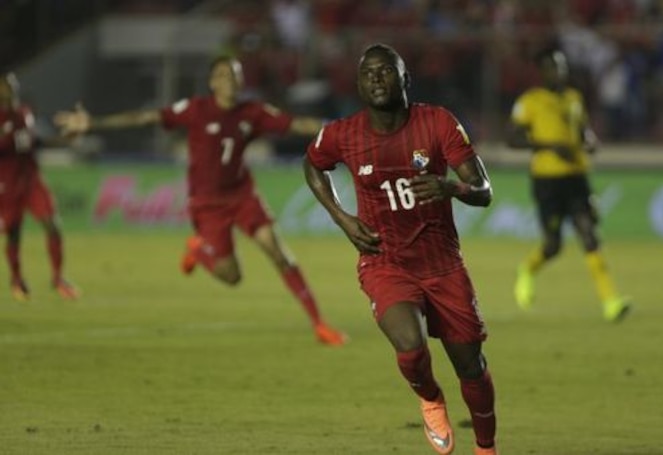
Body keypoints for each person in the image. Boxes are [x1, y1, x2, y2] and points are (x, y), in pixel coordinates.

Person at [55, 57, 347, 346]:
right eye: (222, 75)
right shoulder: (196, 110)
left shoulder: (252, 112)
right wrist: (93, 122)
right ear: (211, 83)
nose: (228, 80)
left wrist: (345, 128)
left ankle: (319, 323)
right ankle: (198, 250)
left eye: (234, 75)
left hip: (243, 195)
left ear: (241, 81)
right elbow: (147, 118)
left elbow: (297, 124)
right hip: (207, 203)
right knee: (232, 277)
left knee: (278, 252)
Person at [303, 43, 499, 455]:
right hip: (384, 261)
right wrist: (341, 217)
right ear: (358, 84)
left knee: (471, 366)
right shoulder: (344, 133)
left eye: (385, 71)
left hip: (443, 265)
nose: (376, 78)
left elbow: (483, 191)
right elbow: (312, 163)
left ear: (405, 79)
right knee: (410, 348)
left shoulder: (438, 123)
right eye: (367, 73)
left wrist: (451, 187)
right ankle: (430, 398)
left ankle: (486, 448)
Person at [507, 48, 631, 322]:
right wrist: (548, 146)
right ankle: (527, 270)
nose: (558, 72)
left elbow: (584, 129)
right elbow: (512, 139)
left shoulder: (575, 98)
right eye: (552, 67)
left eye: (561, 67)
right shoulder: (530, 101)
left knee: (589, 235)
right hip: (547, 181)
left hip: (577, 177)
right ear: (542, 72)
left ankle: (611, 301)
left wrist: (590, 140)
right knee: (553, 245)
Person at [0, 72, 80, 302]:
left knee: (53, 225)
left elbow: (37, 142)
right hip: (8, 184)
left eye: (12, 84)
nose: (10, 87)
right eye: (5, 85)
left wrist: (66, 138)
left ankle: (58, 278)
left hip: (31, 180)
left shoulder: (24, 113)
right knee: (13, 234)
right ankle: (17, 280)